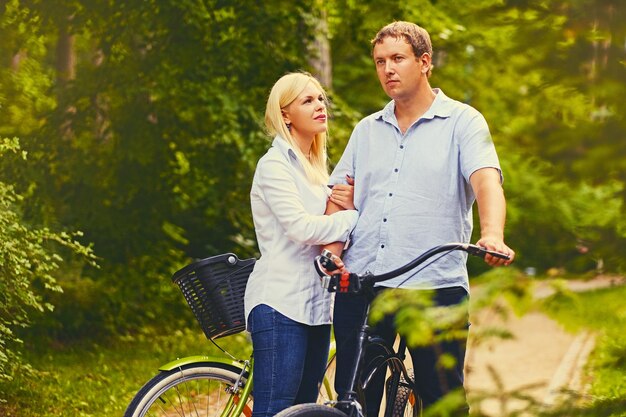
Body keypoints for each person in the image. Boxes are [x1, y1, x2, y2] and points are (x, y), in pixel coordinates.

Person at [324, 21, 516, 414]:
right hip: (364, 283)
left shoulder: (464, 122)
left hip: (434, 288)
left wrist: (492, 234)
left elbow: (487, 184)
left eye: (397, 59)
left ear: (425, 62)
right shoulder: (366, 130)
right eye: (380, 61)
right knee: (353, 401)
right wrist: (332, 251)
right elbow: (338, 199)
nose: (387, 69)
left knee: (441, 400)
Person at [244, 72, 358, 417]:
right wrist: (353, 216)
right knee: (276, 410)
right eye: (307, 101)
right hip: (280, 303)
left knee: (305, 411)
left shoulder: (318, 171)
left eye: (321, 98)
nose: (320, 105)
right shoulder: (274, 166)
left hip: (316, 307)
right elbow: (300, 227)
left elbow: (327, 235)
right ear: (286, 114)